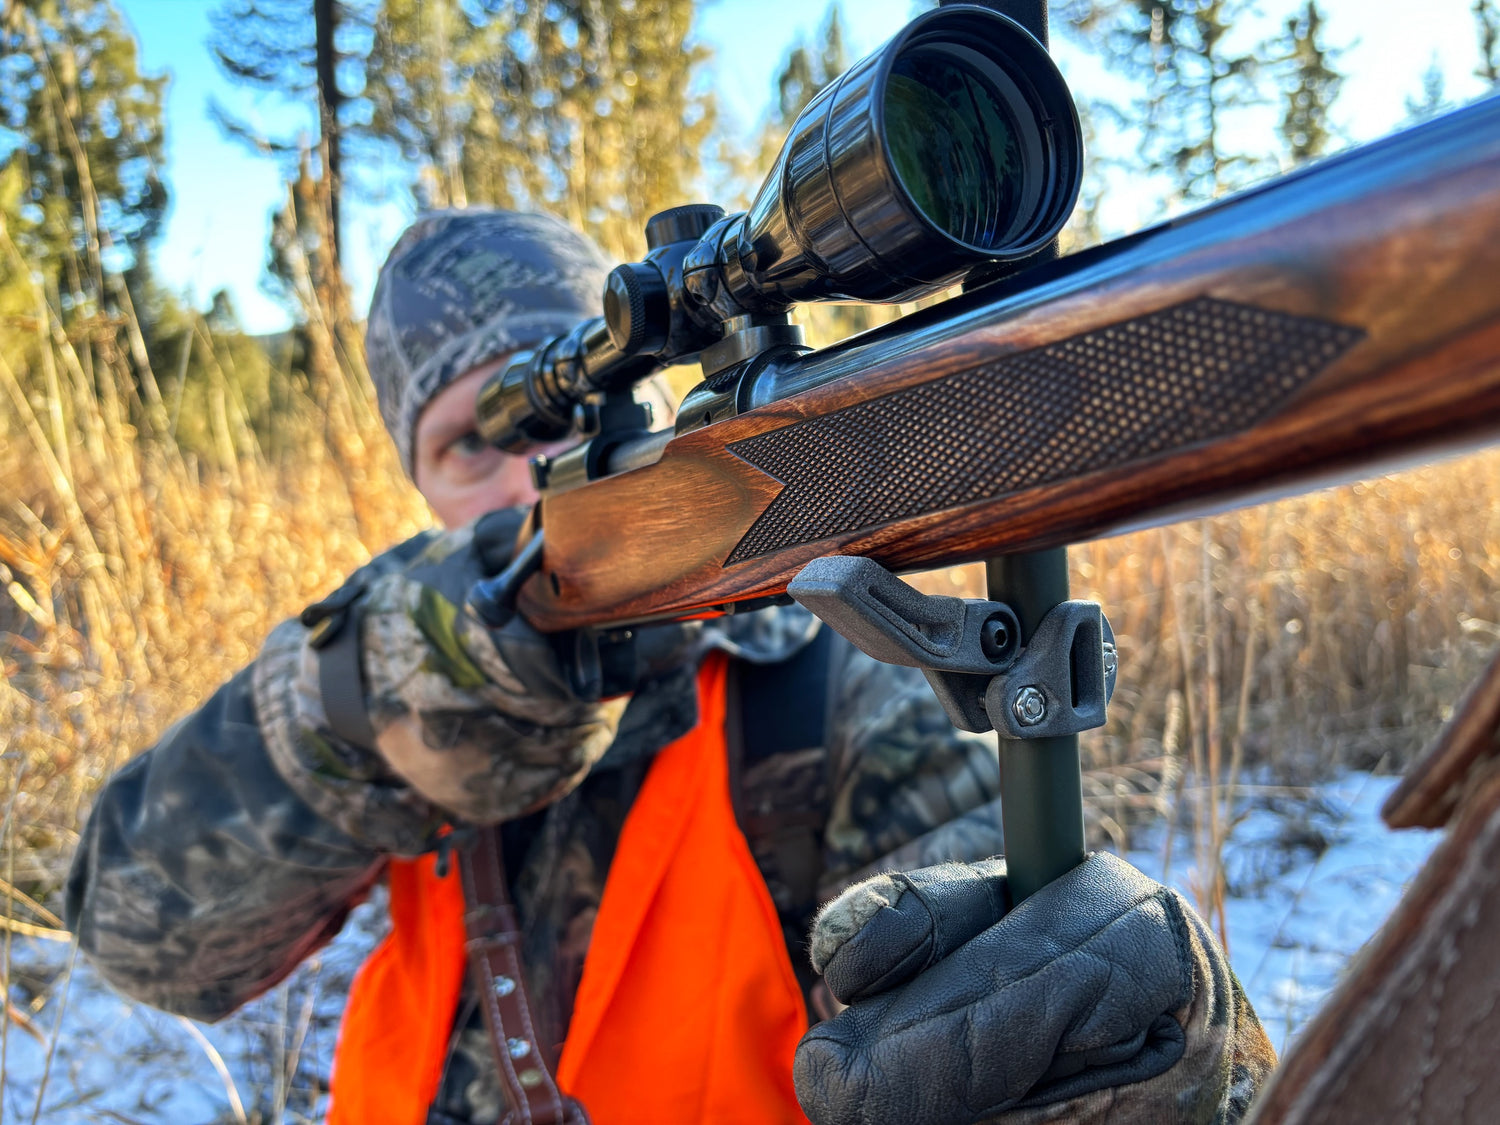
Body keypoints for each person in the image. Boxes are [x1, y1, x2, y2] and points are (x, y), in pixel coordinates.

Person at [65, 208, 1275, 1125]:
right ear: (417, 485)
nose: (526, 476)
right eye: (467, 446)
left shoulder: (828, 694)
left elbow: (1039, 1011)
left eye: (555, 416)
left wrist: (1146, 1073)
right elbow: (138, 935)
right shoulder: (385, 700)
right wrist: (379, 691)